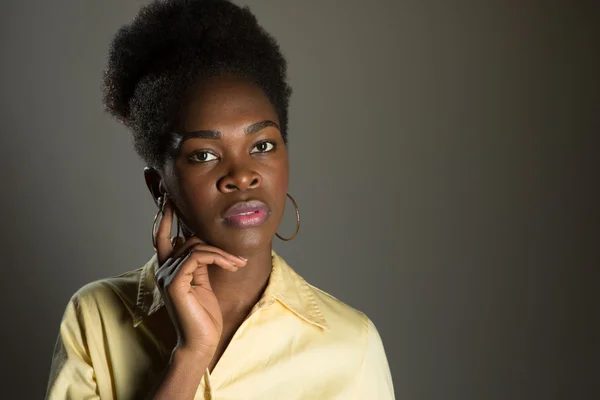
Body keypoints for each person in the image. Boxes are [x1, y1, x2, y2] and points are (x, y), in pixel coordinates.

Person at [45, 0, 394, 399]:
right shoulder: (96, 317)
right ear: (159, 186)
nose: (242, 175)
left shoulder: (350, 345)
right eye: (204, 155)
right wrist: (191, 356)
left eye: (262, 145)